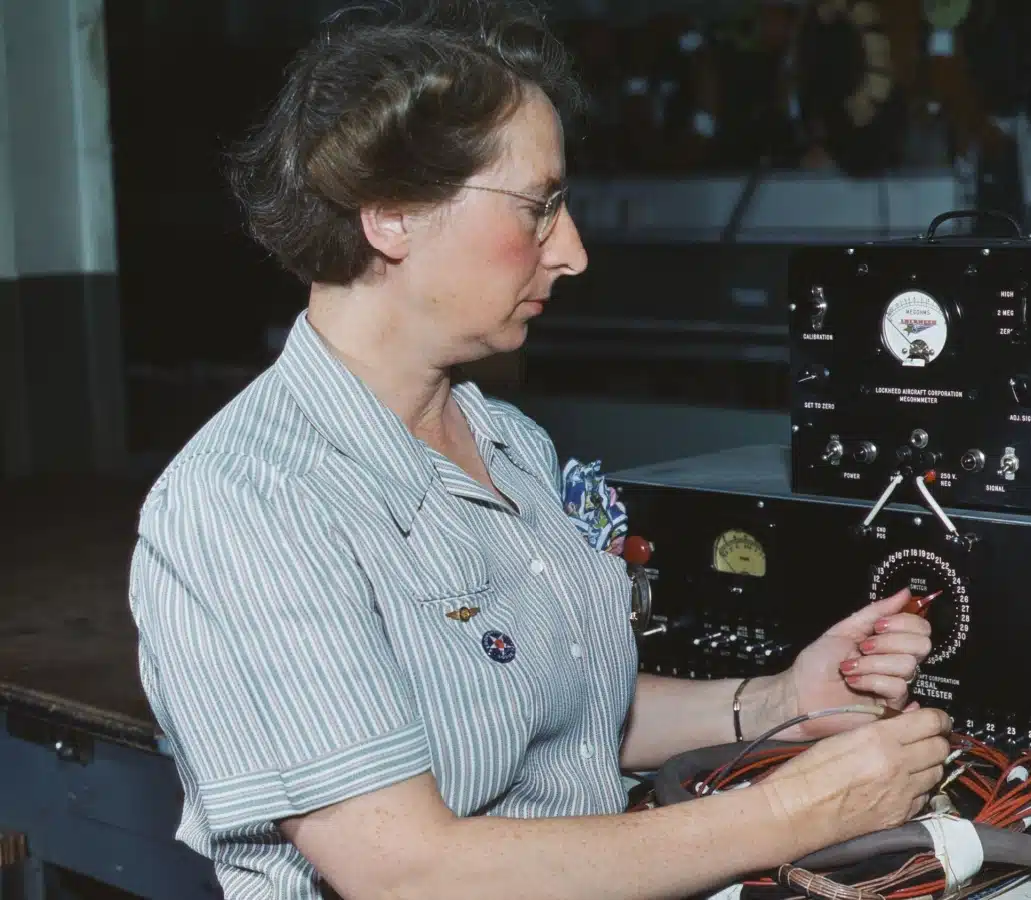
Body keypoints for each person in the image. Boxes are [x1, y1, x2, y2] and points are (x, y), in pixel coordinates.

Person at [125, 2, 953, 898]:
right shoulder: (251, 502)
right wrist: (791, 816)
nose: (574, 252)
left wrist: (782, 701)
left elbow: (556, 715)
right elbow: (404, 871)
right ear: (393, 216)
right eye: (539, 207)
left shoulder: (505, 441)